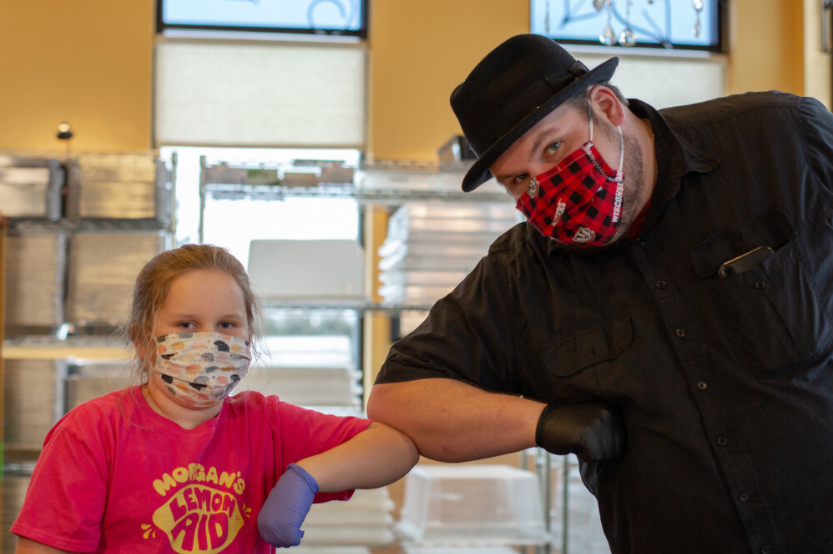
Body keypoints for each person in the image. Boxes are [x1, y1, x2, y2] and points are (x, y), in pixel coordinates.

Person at [367, 33, 833, 554]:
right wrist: (541, 423)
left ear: (606, 106)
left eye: (553, 147)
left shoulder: (782, 141)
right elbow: (398, 397)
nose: (547, 188)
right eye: (518, 180)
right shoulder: (523, 277)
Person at [12, 244, 418, 553]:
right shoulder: (92, 433)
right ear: (142, 340)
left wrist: (308, 476)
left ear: (249, 338)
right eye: (187, 325)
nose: (210, 341)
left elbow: (397, 446)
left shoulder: (267, 425)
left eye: (227, 324)